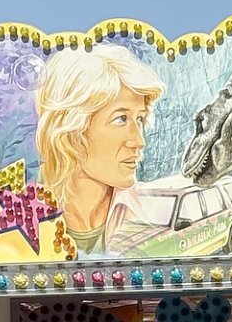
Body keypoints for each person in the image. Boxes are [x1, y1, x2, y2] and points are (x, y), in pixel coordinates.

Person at [34, 44, 166, 256]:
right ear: (72, 129)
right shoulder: (18, 216)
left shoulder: (153, 213)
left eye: (139, 119)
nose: (138, 140)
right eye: (121, 118)